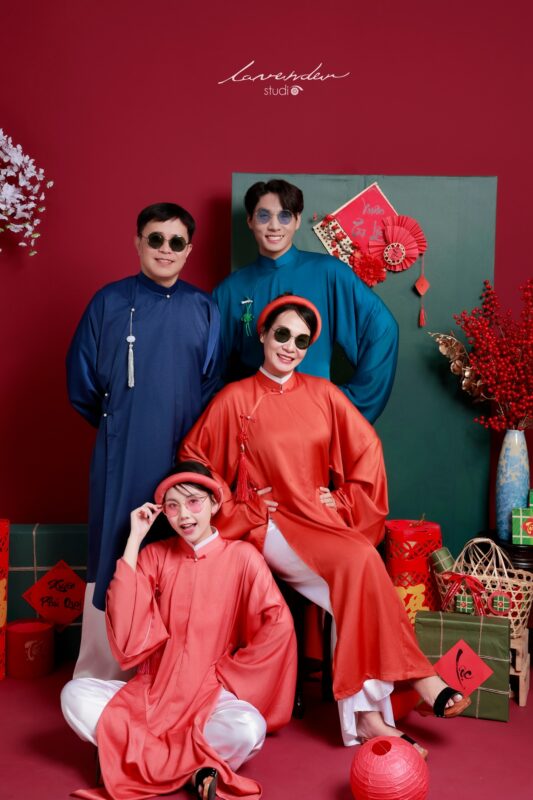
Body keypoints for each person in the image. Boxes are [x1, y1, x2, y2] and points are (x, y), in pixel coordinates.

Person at [180, 295, 470, 756]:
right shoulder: (235, 399)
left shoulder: (324, 394)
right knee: (359, 564)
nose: (290, 347)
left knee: (355, 576)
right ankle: (418, 681)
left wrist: (343, 498)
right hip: (272, 523)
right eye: (282, 334)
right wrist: (241, 505)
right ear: (263, 334)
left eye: (301, 340)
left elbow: (367, 449)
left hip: (320, 520)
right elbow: (194, 458)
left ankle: (372, 718)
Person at [61, 462, 296, 800]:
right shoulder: (155, 555)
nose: (184, 514)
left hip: (210, 693)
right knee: (75, 695)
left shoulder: (242, 557)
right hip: (153, 691)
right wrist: (135, 539)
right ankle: (198, 767)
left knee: (248, 728)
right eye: (172, 506)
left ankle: (129, 754)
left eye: (193, 502)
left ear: (214, 503)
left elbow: (277, 624)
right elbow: (125, 617)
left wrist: (230, 675)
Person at [67, 202, 222, 679]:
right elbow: (81, 383)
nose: (165, 249)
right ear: (138, 242)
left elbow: (211, 384)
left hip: (183, 453)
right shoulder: (108, 302)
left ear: (189, 250)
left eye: (176, 242)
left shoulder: (203, 308)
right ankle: (103, 669)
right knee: (116, 543)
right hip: (123, 448)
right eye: (155, 239)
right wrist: (120, 424)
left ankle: (171, 670)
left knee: (176, 545)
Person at [213, 178, 399, 423]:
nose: (274, 226)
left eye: (285, 216)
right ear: (250, 221)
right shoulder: (230, 290)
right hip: (256, 419)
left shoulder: (329, 272)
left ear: (298, 220)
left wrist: (352, 403)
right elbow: (211, 368)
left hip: (316, 418)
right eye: (263, 216)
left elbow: (383, 329)